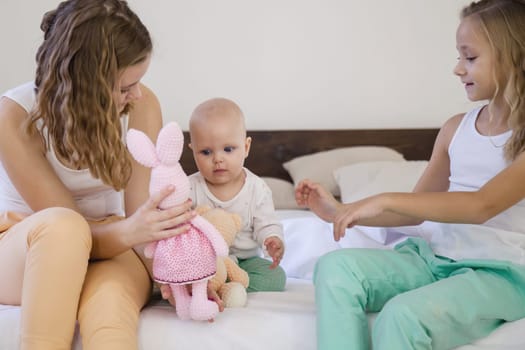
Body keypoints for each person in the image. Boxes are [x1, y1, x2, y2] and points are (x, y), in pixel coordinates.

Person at [295, 0, 525, 349]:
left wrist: (383, 196)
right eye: (459, 57)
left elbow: (481, 206)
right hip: (434, 258)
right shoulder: (454, 130)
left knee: (402, 315)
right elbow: (415, 211)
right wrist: (341, 212)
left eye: (470, 57)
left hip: (501, 275)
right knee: (335, 268)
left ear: (512, 57)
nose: (457, 69)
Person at [0, 1, 198, 349]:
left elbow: (143, 216)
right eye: (124, 88)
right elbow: (76, 229)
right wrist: (132, 229)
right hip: (31, 248)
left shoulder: (142, 105)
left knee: (109, 308)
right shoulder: (13, 117)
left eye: (138, 82)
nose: (136, 94)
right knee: (63, 227)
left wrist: (182, 276)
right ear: (84, 84)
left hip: (115, 242)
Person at [187, 97, 287, 292]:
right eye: (206, 152)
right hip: (206, 261)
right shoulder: (189, 187)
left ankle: (229, 286)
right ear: (193, 151)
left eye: (228, 149)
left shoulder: (257, 189)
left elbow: (266, 223)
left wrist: (272, 239)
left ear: (246, 147)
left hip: (245, 262)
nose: (218, 159)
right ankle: (215, 285)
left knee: (276, 277)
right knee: (178, 275)